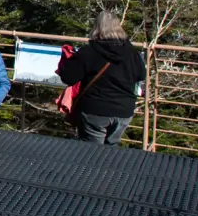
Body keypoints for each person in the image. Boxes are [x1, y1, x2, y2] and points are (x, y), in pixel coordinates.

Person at [57, 10, 148, 145]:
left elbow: (69, 78)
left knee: (91, 152)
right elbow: (141, 75)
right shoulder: (131, 52)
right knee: (110, 152)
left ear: (96, 27)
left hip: (95, 109)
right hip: (124, 110)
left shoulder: (88, 51)